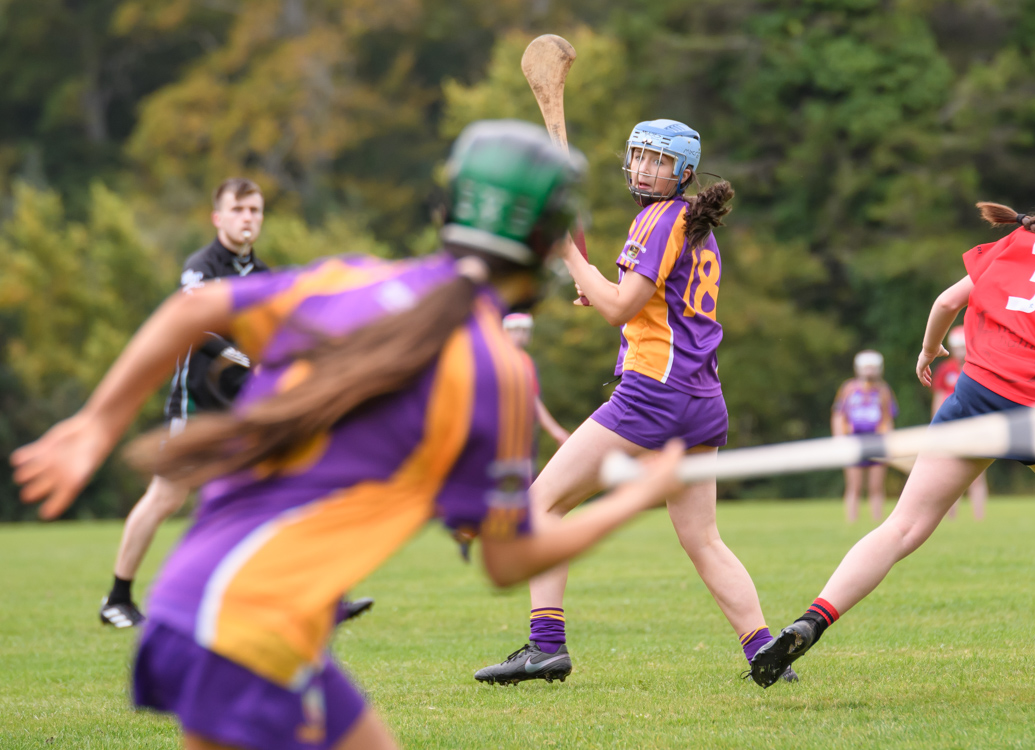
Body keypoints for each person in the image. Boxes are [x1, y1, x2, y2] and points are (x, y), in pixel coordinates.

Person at [13, 121, 689, 750]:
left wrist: (97, 422)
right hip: (245, 627)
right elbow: (508, 561)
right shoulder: (498, 372)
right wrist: (632, 498)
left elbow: (195, 309)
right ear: (547, 244)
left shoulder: (356, 277)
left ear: (444, 209)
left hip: (221, 607)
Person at [751, 158, 1035, 692]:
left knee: (902, 527)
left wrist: (929, 348)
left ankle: (810, 621)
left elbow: (946, 302)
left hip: (976, 394)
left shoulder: (1023, 237)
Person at [474, 119, 797, 687]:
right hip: (702, 397)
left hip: (654, 395)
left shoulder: (656, 218)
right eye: (640, 156)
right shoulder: (693, 225)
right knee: (703, 538)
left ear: (685, 172)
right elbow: (648, 305)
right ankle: (763, 652)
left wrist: (572, 259)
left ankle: (546, 646)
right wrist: (601, 285)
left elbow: (619, 308)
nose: (646, 168)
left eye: (659, 161)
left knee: (538, 506)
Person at [100, 178, 275, 629]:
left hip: (243, 408)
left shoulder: (264, 277)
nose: (247, 218)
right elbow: (195, 327)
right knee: (166, 496)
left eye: (254, 210)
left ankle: (297, 598)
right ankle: (117, 598)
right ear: (218, 217)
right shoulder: (200, 267)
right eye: (238, 210)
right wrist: (246, 358)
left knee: (271, 491)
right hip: (196, 403)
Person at [832, 350, 898, 523]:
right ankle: (851, 521)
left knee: (876, 486)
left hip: (877, 440)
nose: (869, 372)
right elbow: (838, 415)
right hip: (853, 440)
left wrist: (889, 441)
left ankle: (877, 521)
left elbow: (888, 417)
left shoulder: (883, 390)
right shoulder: (848, 389)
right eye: (866, 367)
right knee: (854, 485)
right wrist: (839, 438)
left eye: (873, 368)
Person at [931, 326, 988, 520]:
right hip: (951, 429)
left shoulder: (980, 367)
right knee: (950, 474)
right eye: (957, 347)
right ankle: (952, 518)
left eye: (964, 347)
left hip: (975, 428)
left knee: (977, 474)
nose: (961, 352)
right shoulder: (945, 370)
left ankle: (979, 518)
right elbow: (938, 400)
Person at [502, 312, 571, 447]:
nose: (521, 335)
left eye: (525, 331)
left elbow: (532, 399)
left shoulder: (526, 360)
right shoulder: (503, 359)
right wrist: (555, 430)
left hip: (523, 429)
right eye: (515, 330)